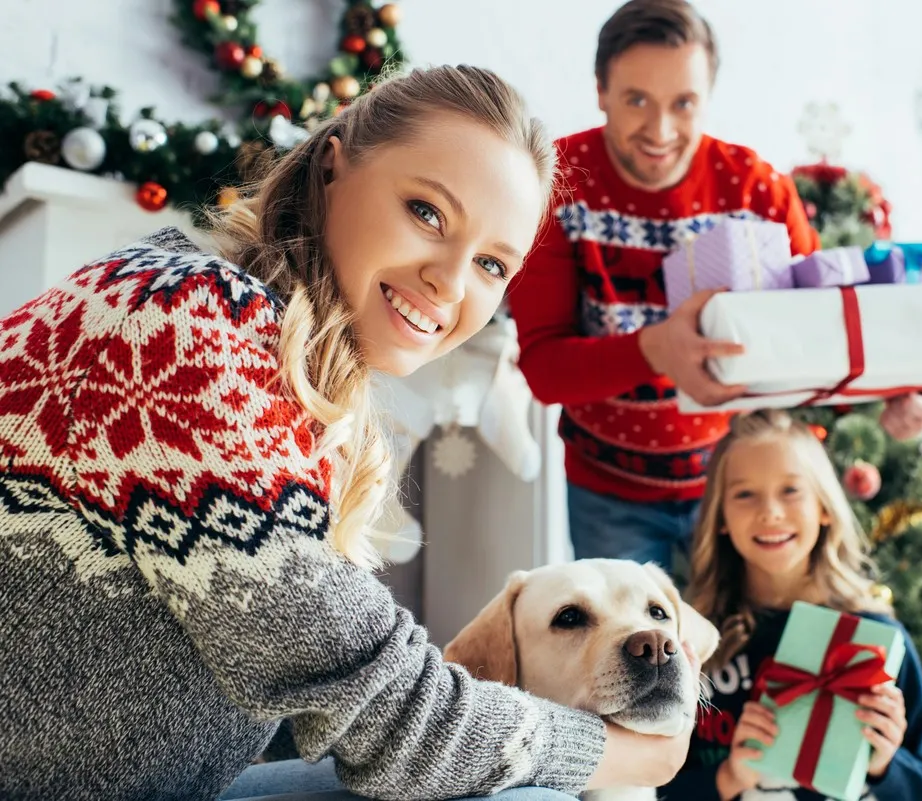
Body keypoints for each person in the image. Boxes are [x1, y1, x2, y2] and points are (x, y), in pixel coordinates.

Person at [0, 65, 696, 801]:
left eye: (492, 263)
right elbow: (395, 714)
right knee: (532, 794)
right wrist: (619, 756)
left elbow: (338, 693)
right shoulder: (183, 321)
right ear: (333, 165)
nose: (452, 283)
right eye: (427, 212)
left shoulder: (259, 349)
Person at [506, 0, 922, 577]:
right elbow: (544, 369)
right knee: (630, 661)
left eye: (683, 104)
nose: (660, 131)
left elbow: (815, 340)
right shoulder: (557, 183)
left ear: (707, 97)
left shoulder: (756, 191)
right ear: (600, 91)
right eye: (636, 99)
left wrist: (895, 396)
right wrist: (653, 349)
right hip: (613, 495)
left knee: (746, 660)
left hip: (745, 488)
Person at [661, 409, 922, 800]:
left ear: (824, 507)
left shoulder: (877, 642)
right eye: (745, 494)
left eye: (791, 490)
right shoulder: (692, 643)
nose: (770, 512)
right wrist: (728, 776)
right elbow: (649, 786)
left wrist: (885, 764)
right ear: (721, 517)